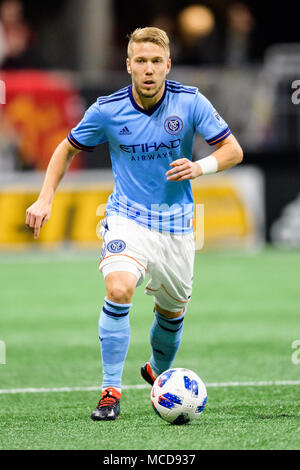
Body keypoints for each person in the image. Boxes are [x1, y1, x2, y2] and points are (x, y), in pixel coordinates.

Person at [25, 27, 243, 421]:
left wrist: (200, 166)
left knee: (172, 314)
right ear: (128, 66)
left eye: (156, 62)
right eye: (140, 61)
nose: (148, 69)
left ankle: (157, 372)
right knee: (120, 287)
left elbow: (233, 150)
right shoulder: (107, 110)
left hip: (177, 226)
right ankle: (111, 390)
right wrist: (45, 197)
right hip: (127, 219)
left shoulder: (190, 102)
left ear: (167, 66)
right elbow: (66, 148)